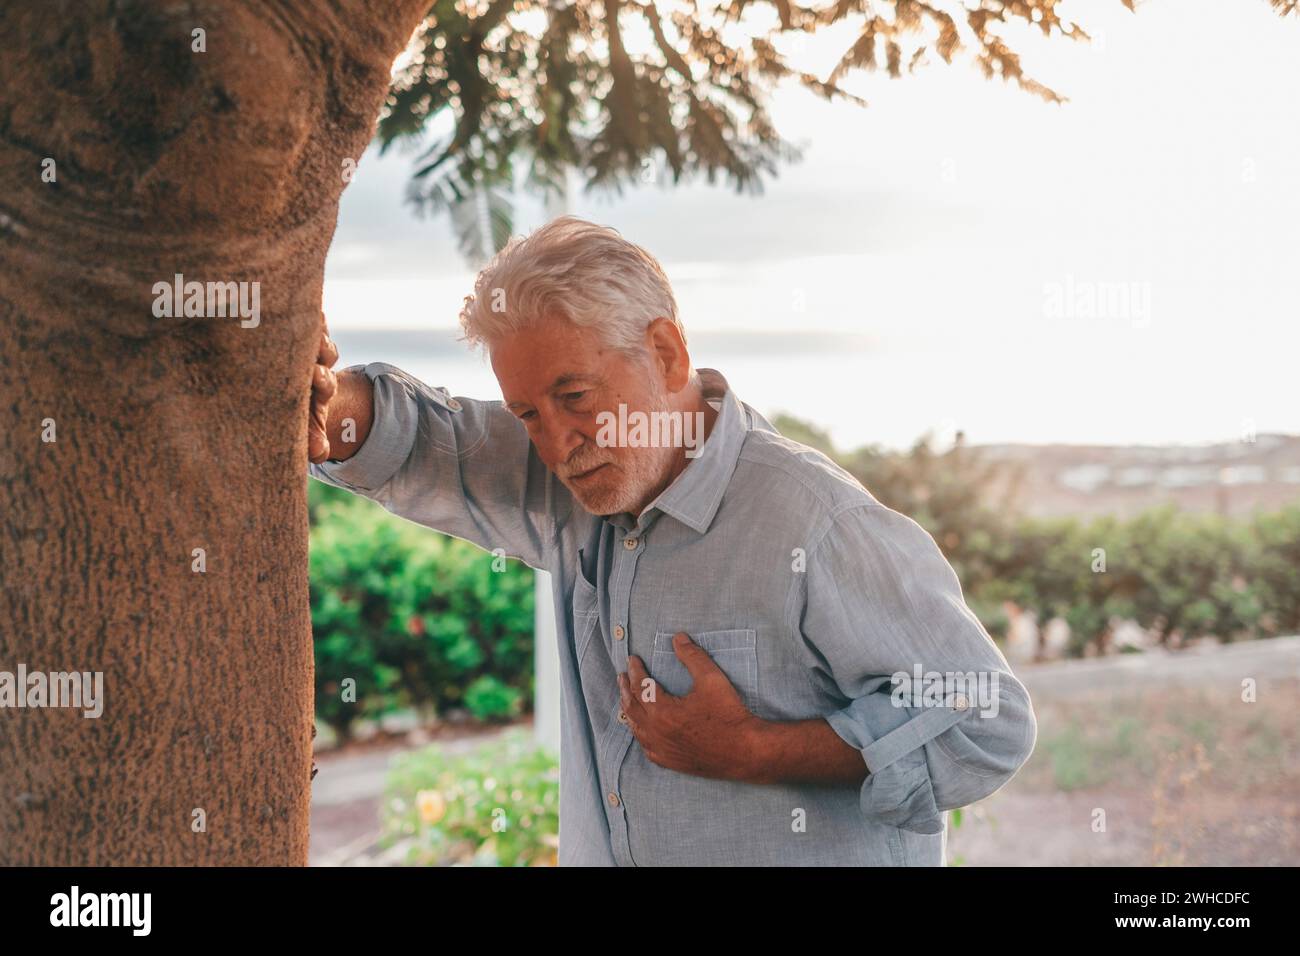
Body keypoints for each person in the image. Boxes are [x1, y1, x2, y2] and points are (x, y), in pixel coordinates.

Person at [307, 215, 1037, 866]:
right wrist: (317, 398)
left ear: (666, 353)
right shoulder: (576, 484)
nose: (557, 443)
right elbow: (431, 443)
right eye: (527, 412)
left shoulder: (815, 521)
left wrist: (755, 752)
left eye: (575, 396)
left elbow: (987, 722)